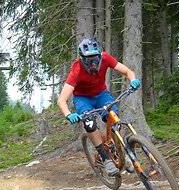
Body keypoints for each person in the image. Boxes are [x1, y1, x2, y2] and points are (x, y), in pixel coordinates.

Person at [57, 37, 141, 176]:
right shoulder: (76, 70)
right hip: (83, 99)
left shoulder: (106, 58)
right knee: (89, 123)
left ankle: (123, 155)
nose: (93, 64)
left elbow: (128, 71)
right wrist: (68, 114)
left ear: (100, 55)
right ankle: (105, 158)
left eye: (95, 59)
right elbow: (61, 100)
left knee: (113, 119)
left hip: (101, 94)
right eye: (88, 61)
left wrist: (133, 80)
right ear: (82, 59)